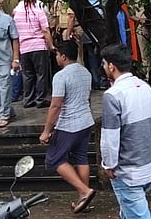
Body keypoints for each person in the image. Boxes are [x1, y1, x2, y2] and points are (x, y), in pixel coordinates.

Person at [99, 43, 151, 219]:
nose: (103, 68)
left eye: (103, 64)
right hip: (148, 166)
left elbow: (110, 135)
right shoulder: (145, 87)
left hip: (128, 172)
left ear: (111, 66)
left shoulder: (113, 95)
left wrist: (108, 164)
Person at [39, 41, 97, 214]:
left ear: (63, 56)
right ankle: (83, 199)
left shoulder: (61, 76)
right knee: (81, 158)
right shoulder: (85, 72)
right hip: (86, 121)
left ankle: (85, 191)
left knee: (54, 159)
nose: (56, 57)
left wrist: (47, 131)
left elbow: (55, 105)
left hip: (69, 124)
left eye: (57, 54)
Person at [13, 0, 54, 109]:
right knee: (41, 74)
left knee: (27, 74)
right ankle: (41, 99)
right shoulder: (39, 12)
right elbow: (45, 31)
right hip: (38, 46)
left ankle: (28, 99)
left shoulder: (17, 14)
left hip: (24, 48)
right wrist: (51, 45)